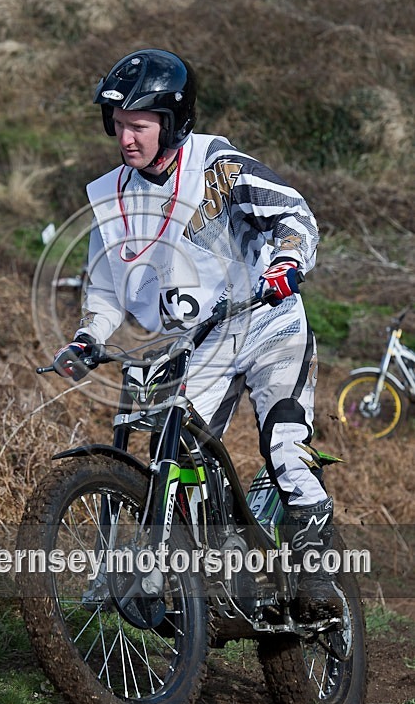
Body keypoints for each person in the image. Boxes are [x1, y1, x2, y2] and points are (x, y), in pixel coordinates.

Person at [53, 48, 341, 621]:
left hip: (267, 322)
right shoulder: (111, 198)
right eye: (119, 125)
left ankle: (315, 567)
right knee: (174, 448)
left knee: (283, 447)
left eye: (140, 125)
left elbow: (295, 215)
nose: (126, 138)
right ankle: (207, 564)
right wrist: (88, 337)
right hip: (203, 340)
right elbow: (107, 292)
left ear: (173, 121)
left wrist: (286, 263)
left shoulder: (220, 165)